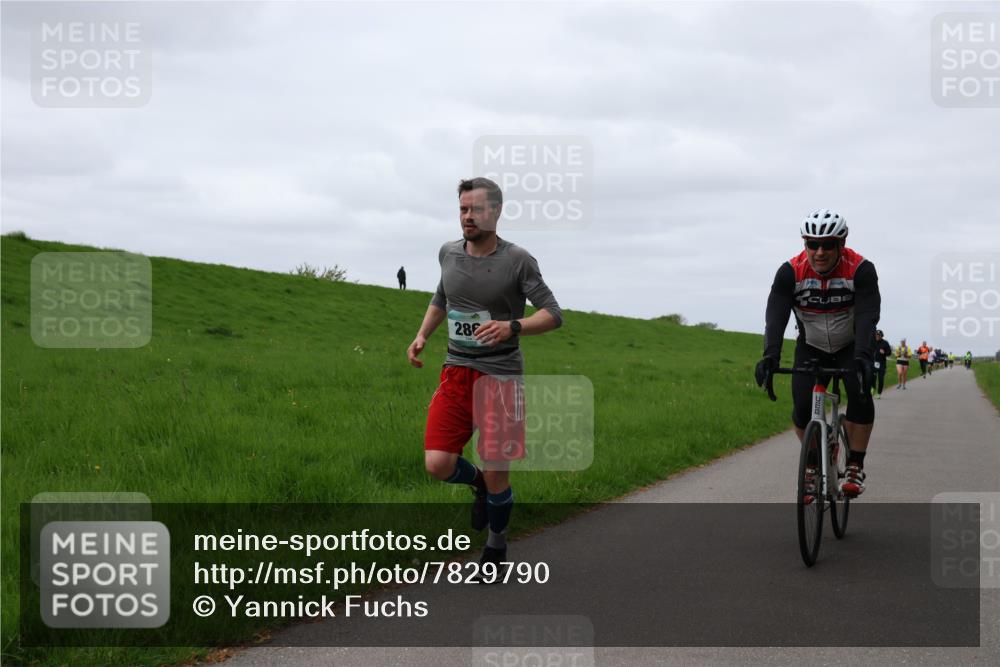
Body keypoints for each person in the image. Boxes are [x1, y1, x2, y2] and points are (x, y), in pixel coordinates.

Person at [407, 177, 562, 573]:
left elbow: (553, 314)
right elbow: (442, 297)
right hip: (456, 371)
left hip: (502, 379)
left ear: (495, 211)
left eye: (476, 209)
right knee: (438, 464)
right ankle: (475, 482)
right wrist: (423, 335)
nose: (468, 217)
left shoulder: (518, 260)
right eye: (463, 209)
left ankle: (495, 546)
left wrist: (512, 326)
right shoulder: (448, 253)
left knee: (498, 471)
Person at [755, 209, 880, 498]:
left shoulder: (860, 269)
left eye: (827, 245)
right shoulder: (790, 272)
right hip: (811, 345)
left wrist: (863, 356)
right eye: (812, 244)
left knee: (859, 393)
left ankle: (854, 466)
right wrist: (770, 356)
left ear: (842, 243)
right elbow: (775, 316)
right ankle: (813, 465)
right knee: (801, 406)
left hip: (850, 344)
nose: (819, 252)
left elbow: (867, 316)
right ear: (805, 244)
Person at [873, 330, 892, 398]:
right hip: (874, 363)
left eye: (879, 335)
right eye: (876, 335)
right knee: (873, 377)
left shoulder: (885, 343)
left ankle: (879, 393)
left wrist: (884, 352)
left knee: (880, 379)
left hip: (882, 364)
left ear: (881, 336)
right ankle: (872, 389)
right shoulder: (872, 342)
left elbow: (889, 353)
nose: (877, 336)